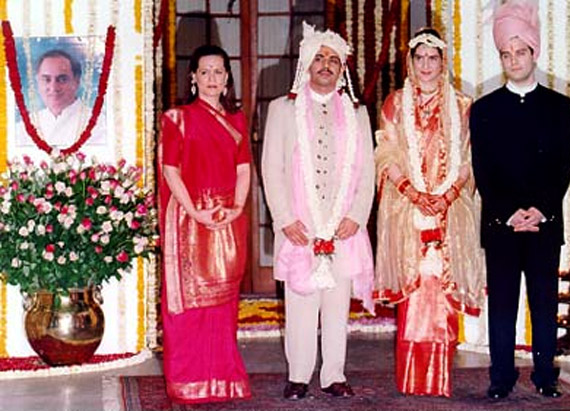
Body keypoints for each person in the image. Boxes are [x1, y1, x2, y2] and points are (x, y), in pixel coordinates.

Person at [262, 22, 375, 400]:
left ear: (343, 68)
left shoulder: (358, 113)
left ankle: (334, 374)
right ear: (307, 64)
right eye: (319, 58)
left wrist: (357, 216)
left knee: (337, 303)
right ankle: (298, 374)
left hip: (342, 224)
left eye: (333, 60)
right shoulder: (282, 109)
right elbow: (272, 168)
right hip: (301, 225)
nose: (326, 65)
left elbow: (367, 172)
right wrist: (284, 219)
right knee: (301, 302)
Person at [470, 0, 570, 400]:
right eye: (506, 54)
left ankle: (545, 376)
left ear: (535, 52)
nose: (513, 60)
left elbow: (563, 166)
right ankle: (500, 378)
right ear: (500, 57)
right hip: (501, 224)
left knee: (543, 304)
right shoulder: (483, 109)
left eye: (520, 51)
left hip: (544, 224)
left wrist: (540, 210)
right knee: (502, 306)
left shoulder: (561, 106)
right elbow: (484, 169)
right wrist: (510, 212)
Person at [374, 28, 486, 397]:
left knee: (440, 293)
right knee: (415, 291)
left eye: (432, 58)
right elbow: (386, 153)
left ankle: (440, 380)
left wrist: (449, 194)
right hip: (409, 210)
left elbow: (470, 158)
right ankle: (411, 378)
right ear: (411, 61)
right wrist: (412, 192)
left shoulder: (463, 105)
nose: (426, 65)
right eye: (419, 57)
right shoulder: (395, 103)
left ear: (442, 62)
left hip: (449, 210)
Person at [158, 45, 251, 404]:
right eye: (205, 71)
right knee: (189, 306)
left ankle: (223, 380)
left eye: (219, 71)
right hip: (189, 221)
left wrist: (237, 207)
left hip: (228, 219)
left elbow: (244, 169)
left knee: (223, 305)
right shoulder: (176, 118)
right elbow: (171, 170)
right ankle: (188, 382)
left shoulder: (238, 121)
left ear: (227, 79)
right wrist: (195, 212)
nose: (212, 78)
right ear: (193, 78)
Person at [16, 49, 106, 147]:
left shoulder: (99, 124)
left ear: (76, 81)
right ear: (37, 81)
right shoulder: (24, 127)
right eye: (46, 79)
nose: (53, 87)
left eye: (62, 79)